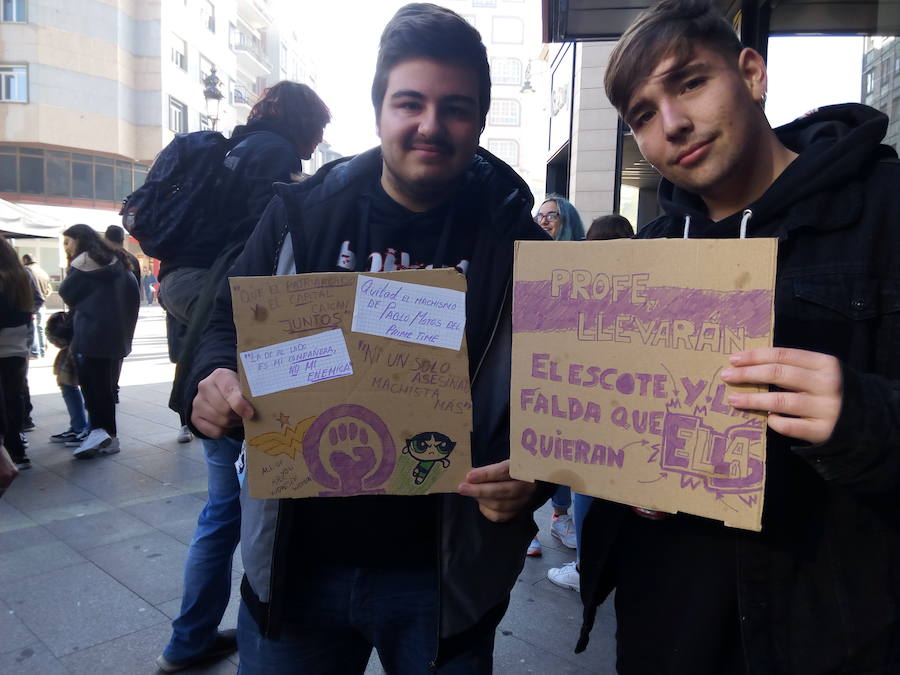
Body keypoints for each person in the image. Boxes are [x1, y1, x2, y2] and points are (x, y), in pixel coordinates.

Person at [184, 4, 549, 673]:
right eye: (410, 102)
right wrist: (213, 377)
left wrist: (537, 476)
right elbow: (222, 324)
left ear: (482, 117)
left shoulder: (517, 241)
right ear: (379, 107)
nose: (430, 125)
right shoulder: (300, 214)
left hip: (442, 579)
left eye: (456, 108)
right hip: (298, 567)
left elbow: (562, 390)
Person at [576, 1, 900, 673]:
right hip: (666, 635)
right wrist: (629, 475)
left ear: (752, 73)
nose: (672, 124)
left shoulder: (883, 209)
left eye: (690, 82)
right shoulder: (646, 259)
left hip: (834, 641)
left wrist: (860, 415)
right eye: (641, 114)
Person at [155, 81, 331, 675]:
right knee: (236, 507)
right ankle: (202, 635)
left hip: (195, 313)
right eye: (319, 128)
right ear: (304, 124)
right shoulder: (274, 158)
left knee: (220, 510)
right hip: (232, 331)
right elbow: (274, 250)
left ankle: (188, 639)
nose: (318, 143)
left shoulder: (232, 146)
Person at [544, 214, 634, 591]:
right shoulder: (642, 279)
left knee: (583, 477)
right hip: (625, 399)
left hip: (580, 395)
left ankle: (584, 565)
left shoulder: (575, 279)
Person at [58, 224, 139, 458]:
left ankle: (100, 434)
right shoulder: (119, 261)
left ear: (79, 240)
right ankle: (107, 436)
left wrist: (72, 265)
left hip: (90, 336)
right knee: (105, 390)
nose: (66, 248)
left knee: (93, 391)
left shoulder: (84, 264)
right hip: (115, 337)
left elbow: (67, 293)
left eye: (68, 242)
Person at [0, 237, 38, 471]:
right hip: (17, 346)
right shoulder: (22, 277)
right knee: (13, 398)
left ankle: (7, 454)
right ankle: (18, 451)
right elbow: (30, 309)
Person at [45, 311, 90, 445]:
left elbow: (68, 292)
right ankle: (79, 428)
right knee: (68, 383)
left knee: (90, 388)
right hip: (81, 331)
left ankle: (88, 430)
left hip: (88, 334)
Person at [22, 254, 50, 358]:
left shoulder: (27, 271)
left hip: (32, 303)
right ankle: (42, 350)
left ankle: (35, 352)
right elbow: (49, 289)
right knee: (41, 328)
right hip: (42, 303)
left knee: (33, 328)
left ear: (25, 260)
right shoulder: (43, 271)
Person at [104, 225, 141, 289]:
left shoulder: (103, 259)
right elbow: (137, 286)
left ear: (106, 239)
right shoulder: (133, 259)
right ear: (122, 240)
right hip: (129, 297)